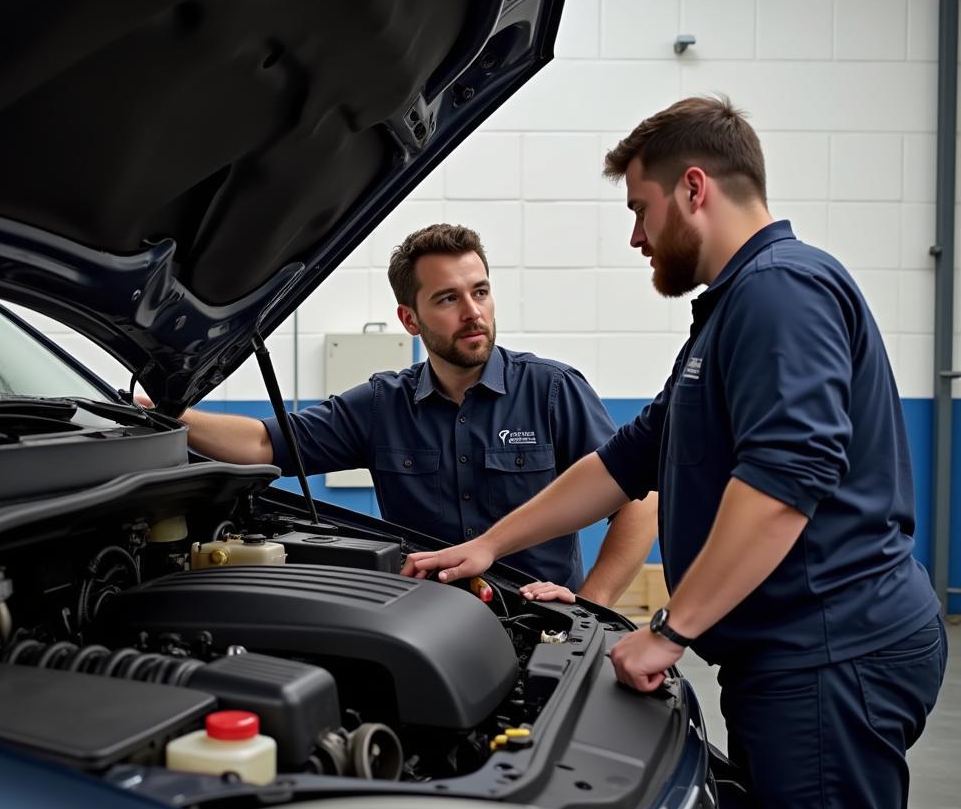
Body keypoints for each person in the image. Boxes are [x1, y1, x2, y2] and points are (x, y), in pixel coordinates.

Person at [402, 99, 947, 809]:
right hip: (807, 652)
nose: (636, 239)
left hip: (829, 654)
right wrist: (488, 547)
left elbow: (784, 484)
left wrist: (672, 631)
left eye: (639, 211)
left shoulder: (780, 291)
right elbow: (627, 458)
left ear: (694, 189)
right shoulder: (733, 310)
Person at [164, 222, 658, 604]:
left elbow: (640, 500)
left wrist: (594, 604)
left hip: (540, 618)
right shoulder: (381, 406)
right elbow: (262, 444)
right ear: (410, 319)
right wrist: (166, 413)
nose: (473, 312)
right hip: (423, 620)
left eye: (480, 291)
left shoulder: (553, 391)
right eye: (448, 298)